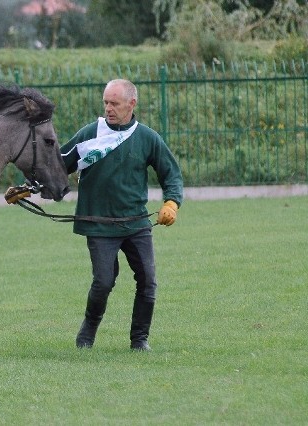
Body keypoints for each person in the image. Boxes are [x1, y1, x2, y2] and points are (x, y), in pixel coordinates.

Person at [60, 79, 183, 351]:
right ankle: (87, 335)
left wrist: (171, 203)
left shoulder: (148, 138)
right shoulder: (90, 134)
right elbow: (57, 164)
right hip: (99, 225)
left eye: (114, 103)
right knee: (103, 282)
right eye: (106, 102)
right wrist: (28, 186)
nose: (108, 108)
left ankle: (139, 341)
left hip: (137, 224)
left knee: (148, 282)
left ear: (132, 103)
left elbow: (171, 174)